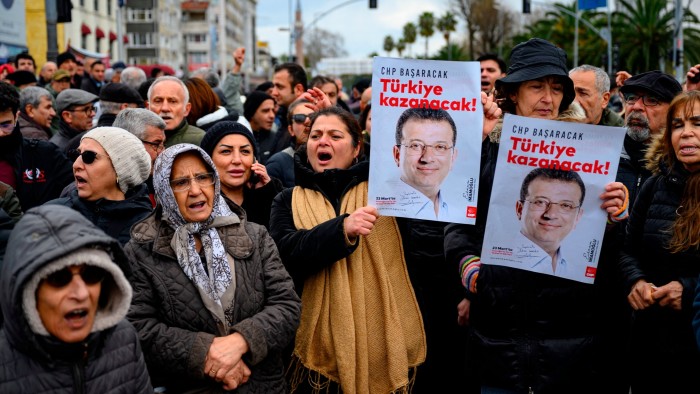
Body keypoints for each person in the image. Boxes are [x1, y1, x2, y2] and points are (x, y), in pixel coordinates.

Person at [445, 38, 628, 393]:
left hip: (572, 349)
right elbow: (457, 226)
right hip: (501, 346)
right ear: (513, 93)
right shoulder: (484, 153)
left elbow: (609, 255)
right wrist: (469, 268)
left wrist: (616, 217)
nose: (548, 97)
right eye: (537, 86)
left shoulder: (593, 153)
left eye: (557, 88)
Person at [269, 106, 426, 393]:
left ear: (356, 149)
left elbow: (432, 226)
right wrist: (342, 230)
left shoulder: (389, 193)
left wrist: (479, 140)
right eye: (315, 135)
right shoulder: (287, 199)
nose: (323, 141)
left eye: (334, 135)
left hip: (383, 342)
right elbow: (286, 254)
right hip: (316, 362)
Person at [124, 143, 300, 393]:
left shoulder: (254, 235)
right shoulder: (141, 251)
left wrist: (240, 342)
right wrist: (207, 353)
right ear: (163, 189)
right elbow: (138, 327)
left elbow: (287, 306)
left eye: (202, 178)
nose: (195, 190)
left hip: (262, 385)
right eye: (181, 182)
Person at [0, 204, 152, 393]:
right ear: (28, 292)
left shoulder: (124, 339)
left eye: (91, 274)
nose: (81, 293)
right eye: (59, 278)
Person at [621, 90, 700, 394]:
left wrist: (690, 290)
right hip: (650, 346)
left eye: (697, 123)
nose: (687, 133)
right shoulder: (655, 184)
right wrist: (636, 281)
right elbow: (628, 249)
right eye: (678, 125)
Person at [47, 127, 153, 245]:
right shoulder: (49, 215)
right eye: (76, 154)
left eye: (89, 157)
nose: (76, 164)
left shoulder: (147, 229)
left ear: (121, 169)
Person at [0, 81, 73, 211]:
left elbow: (76, 188)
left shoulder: (44, 153)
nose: (0, 133)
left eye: (6, 125)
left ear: (16, 117)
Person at [201, 121, 283, 230]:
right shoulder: (199, 202)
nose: (237, 160)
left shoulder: (271, 193)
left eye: (245, 151)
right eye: (226, 151)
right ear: (208, 159)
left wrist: (267, 193)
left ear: (254, 159)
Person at [514, 168, 585, 278]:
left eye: (566, 205)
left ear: (578, 217)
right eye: (540, 202)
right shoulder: (491, 262)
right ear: (520, 209)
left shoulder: (577, 271)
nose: (551, 215)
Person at [392, 107, 457, 221]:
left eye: (440, 147)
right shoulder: (375, 210)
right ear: (397, 155)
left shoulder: (458, 211)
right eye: (415, 145)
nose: (427, 158)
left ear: (452, 157)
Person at [113, 107, 167, 207]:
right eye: (156, 144)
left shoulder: (162, 184)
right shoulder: (105, 188)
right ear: (130, 142)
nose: (162, 152)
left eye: (163, 144)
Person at [147, 76, 206, 148]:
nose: (165, 108)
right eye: (158, 101)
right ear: (148, 107)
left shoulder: (201, 141)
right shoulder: (136, 138)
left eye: (173, 101)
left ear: (187, 109)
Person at [266, 98, 313, 188]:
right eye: (300, 118)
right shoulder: (277, 164)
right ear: (291, 130)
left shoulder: (331, 159)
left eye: (313, 116)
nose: (307, 122)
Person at [243, 91, 278, 164]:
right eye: (265, 111)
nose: (272, 116)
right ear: (252, 113)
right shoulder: (239, 137)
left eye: (273, 111)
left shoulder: (275, 138)